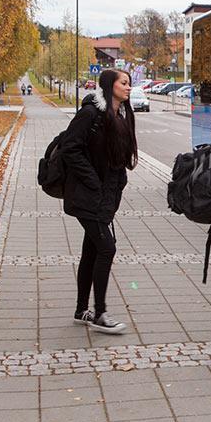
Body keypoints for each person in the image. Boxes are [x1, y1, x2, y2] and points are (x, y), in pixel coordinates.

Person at [62, 69, 137, 334]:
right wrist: (92, 180)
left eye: (130, 83)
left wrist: (116, 186)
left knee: (93, 250)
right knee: (107, 248)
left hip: (106, 196)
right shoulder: (91, 114)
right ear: (110, 85)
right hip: (87, 195)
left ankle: (82, 310)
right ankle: (100, 313)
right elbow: (70, 147)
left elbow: (118, 161)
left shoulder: (122, 115)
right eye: (124, 83)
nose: (129, 88)